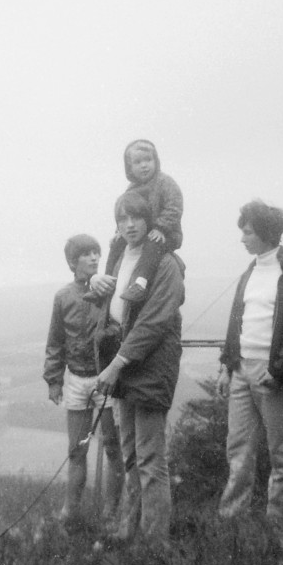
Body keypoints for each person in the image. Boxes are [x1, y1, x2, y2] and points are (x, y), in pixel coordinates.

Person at [216, 200, 283, 522]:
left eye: (248, 232)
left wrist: (279, 372)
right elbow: (237, 323)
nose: (242, 238)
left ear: (266, 233)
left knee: (280, 452)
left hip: (271, 373)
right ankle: (231, 520)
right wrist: (227, 366)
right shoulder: (249, 273)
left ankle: (278, 524)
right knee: (238, 449)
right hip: (241, 369)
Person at [93, 192, 185, 544]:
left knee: (149, 458)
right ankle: (129, 530)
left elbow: (154, 321)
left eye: (136, 218)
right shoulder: (120, 258)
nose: (129, 225)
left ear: (149, 220)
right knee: (130, 454)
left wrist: (117, 364)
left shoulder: (164, 262)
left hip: (149, 366)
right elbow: (114, 312)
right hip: (124, 364)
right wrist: (94, 284)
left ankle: (154, 542)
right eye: (122, 219)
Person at [43, 234, 125, 529]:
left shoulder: (110, 291)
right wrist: (54, 380)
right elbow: (56, 340)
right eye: (86, 254)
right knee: (76, 449)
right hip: (77, 380)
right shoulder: (63, 296)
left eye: (96, 252)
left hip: (107, 378)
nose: (94, 258)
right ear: (72, 261)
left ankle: (111, 514)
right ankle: (71, 512)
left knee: (113, 447)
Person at [87, 139, 183, 304]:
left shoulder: (165, 182)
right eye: (137, 162)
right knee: (116, 244)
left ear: (156, 161)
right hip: (140, 232)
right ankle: (107, 283)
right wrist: (119, 231)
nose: (144, 165)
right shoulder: (131, 189)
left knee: (152, 244)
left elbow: (174, 207)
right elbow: (125, 211)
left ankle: (141, 283)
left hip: (167, 233)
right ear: (129, 167)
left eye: (148, 160)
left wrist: (161, 227)